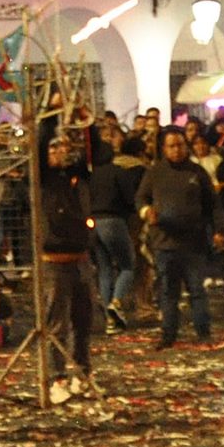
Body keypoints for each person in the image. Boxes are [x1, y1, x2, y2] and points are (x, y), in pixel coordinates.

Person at [138, 126, 217, 348]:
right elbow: (141, 198)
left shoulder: (196, 172)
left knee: (197, 290)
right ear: (164, 149)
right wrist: (146, 211)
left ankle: (203, 332)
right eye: (172, 146)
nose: (177, 150)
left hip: (193, 242)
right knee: (168, 292)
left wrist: (217, 231)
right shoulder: (154, 173)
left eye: (181, 145)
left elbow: (211, 205)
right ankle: (168, 334)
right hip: (165, 242)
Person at [35, 129, 96, 400]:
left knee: (83, 321)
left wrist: (85, 124)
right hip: (54, 261)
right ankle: (56, 378)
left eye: (63, 148)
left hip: (80, 257)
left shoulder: (76, 177)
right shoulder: (43, 181)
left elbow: (96, 151)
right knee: (56, 323)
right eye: (53, 148)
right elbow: (38, 149)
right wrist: (49, 113)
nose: (60, 152)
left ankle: (82, 374)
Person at [89, 134, 146, 330]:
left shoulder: (90, 175)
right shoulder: (118, 172)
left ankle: (109, 318)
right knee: (127, 265)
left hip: (93, 222)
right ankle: (117, 301)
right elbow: (130, 198)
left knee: (104, 269)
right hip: (113, 220)